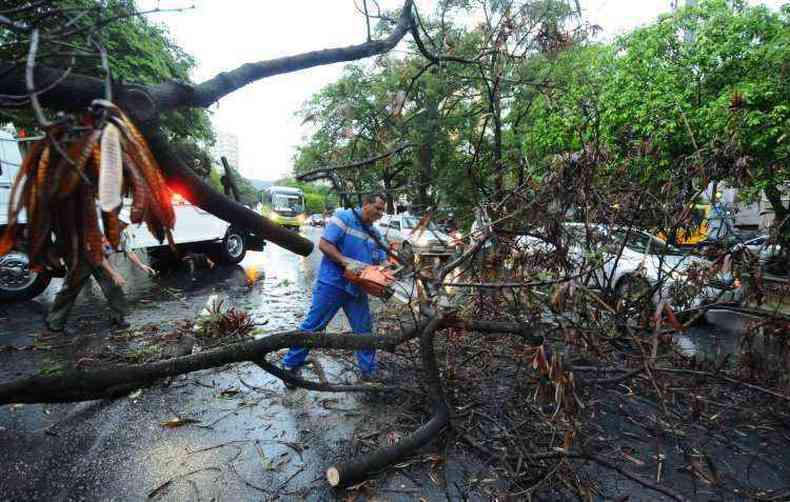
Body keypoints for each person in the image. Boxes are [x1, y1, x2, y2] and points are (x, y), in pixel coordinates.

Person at [282, 193, 387, 385]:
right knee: (313, 326)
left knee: (364, 332)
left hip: (356, 288)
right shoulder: (344, 218)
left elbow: (381, 260)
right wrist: (346, 262)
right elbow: (324, 244)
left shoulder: (375, 234)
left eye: (383, 210)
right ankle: (290, 367)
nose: (380, 213)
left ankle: (369, 373)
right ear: (365, 203)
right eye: (378, 208)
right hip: (333, 284)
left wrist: (389, 269)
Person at [45, 230, 155, 334]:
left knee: (112, 285)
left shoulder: (123, 232)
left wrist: (141, 265)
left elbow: (129, 251)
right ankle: (55, 321)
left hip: (99, 259)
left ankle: (118, 316)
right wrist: (114, 273)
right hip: (83, 257)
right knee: (70, 289)